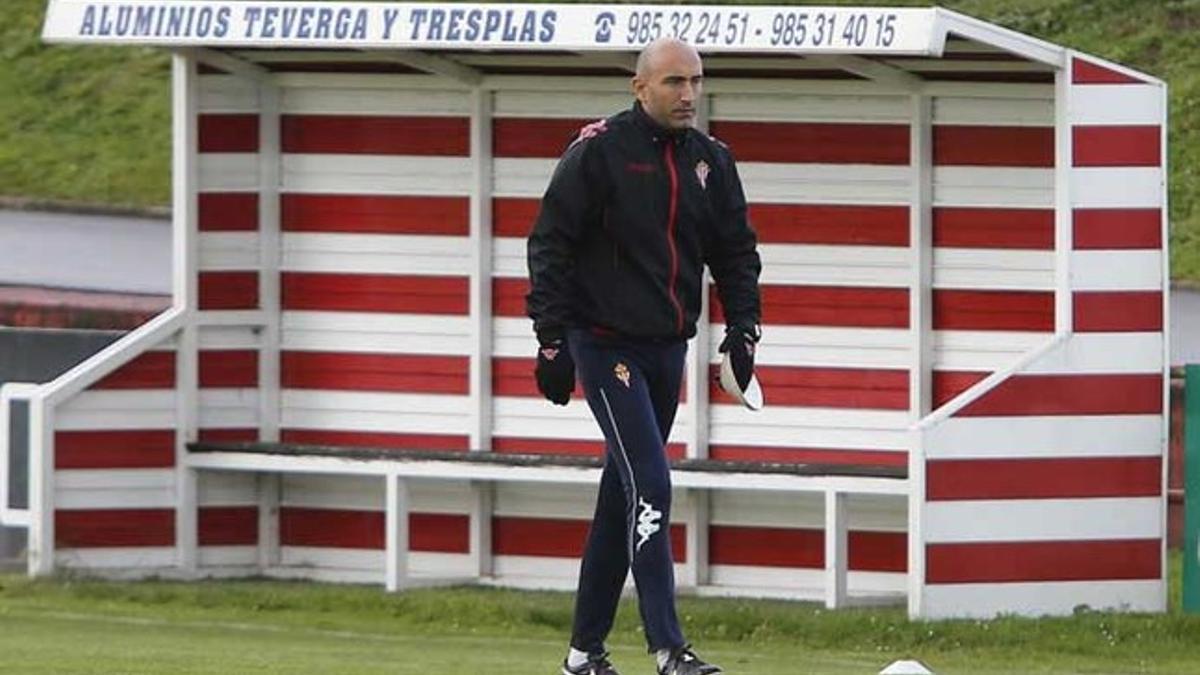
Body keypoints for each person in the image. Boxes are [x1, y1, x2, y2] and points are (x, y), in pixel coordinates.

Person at [526, 37, 762, 675]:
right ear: (640, 88)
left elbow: (736, 253)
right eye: (674, 83)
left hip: (667, 351)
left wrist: (744, 332)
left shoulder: (713, 160)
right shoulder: (599, 150)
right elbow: (549, 241)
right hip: (604, 346)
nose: (688, 95)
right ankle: (669, 650)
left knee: (622, 495)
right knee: (652, 483)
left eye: (696, 82)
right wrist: (550, 338)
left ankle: (583, 655)